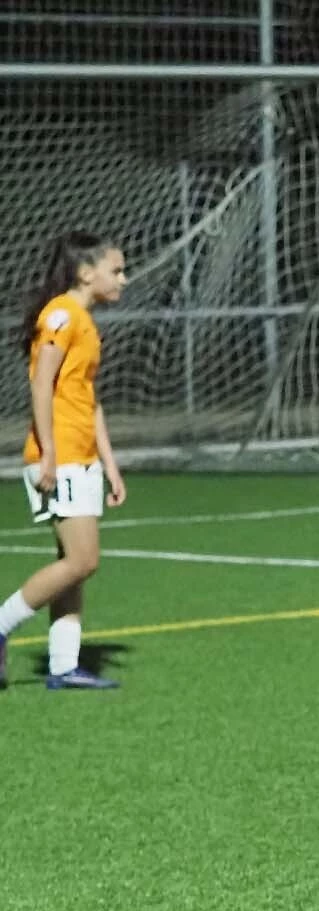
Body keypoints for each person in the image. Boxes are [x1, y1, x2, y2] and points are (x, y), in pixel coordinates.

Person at [0, 231, 127, 690]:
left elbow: (88, 400)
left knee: (70, 563)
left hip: (83, 456)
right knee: (81, 560)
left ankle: (63, 665)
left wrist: (110, 465)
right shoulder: (60, 314)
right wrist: (49, 451)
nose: (123, 279)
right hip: (63, 456)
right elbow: (41, 383)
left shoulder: (85, 322)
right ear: (85, 272)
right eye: (116, 270)